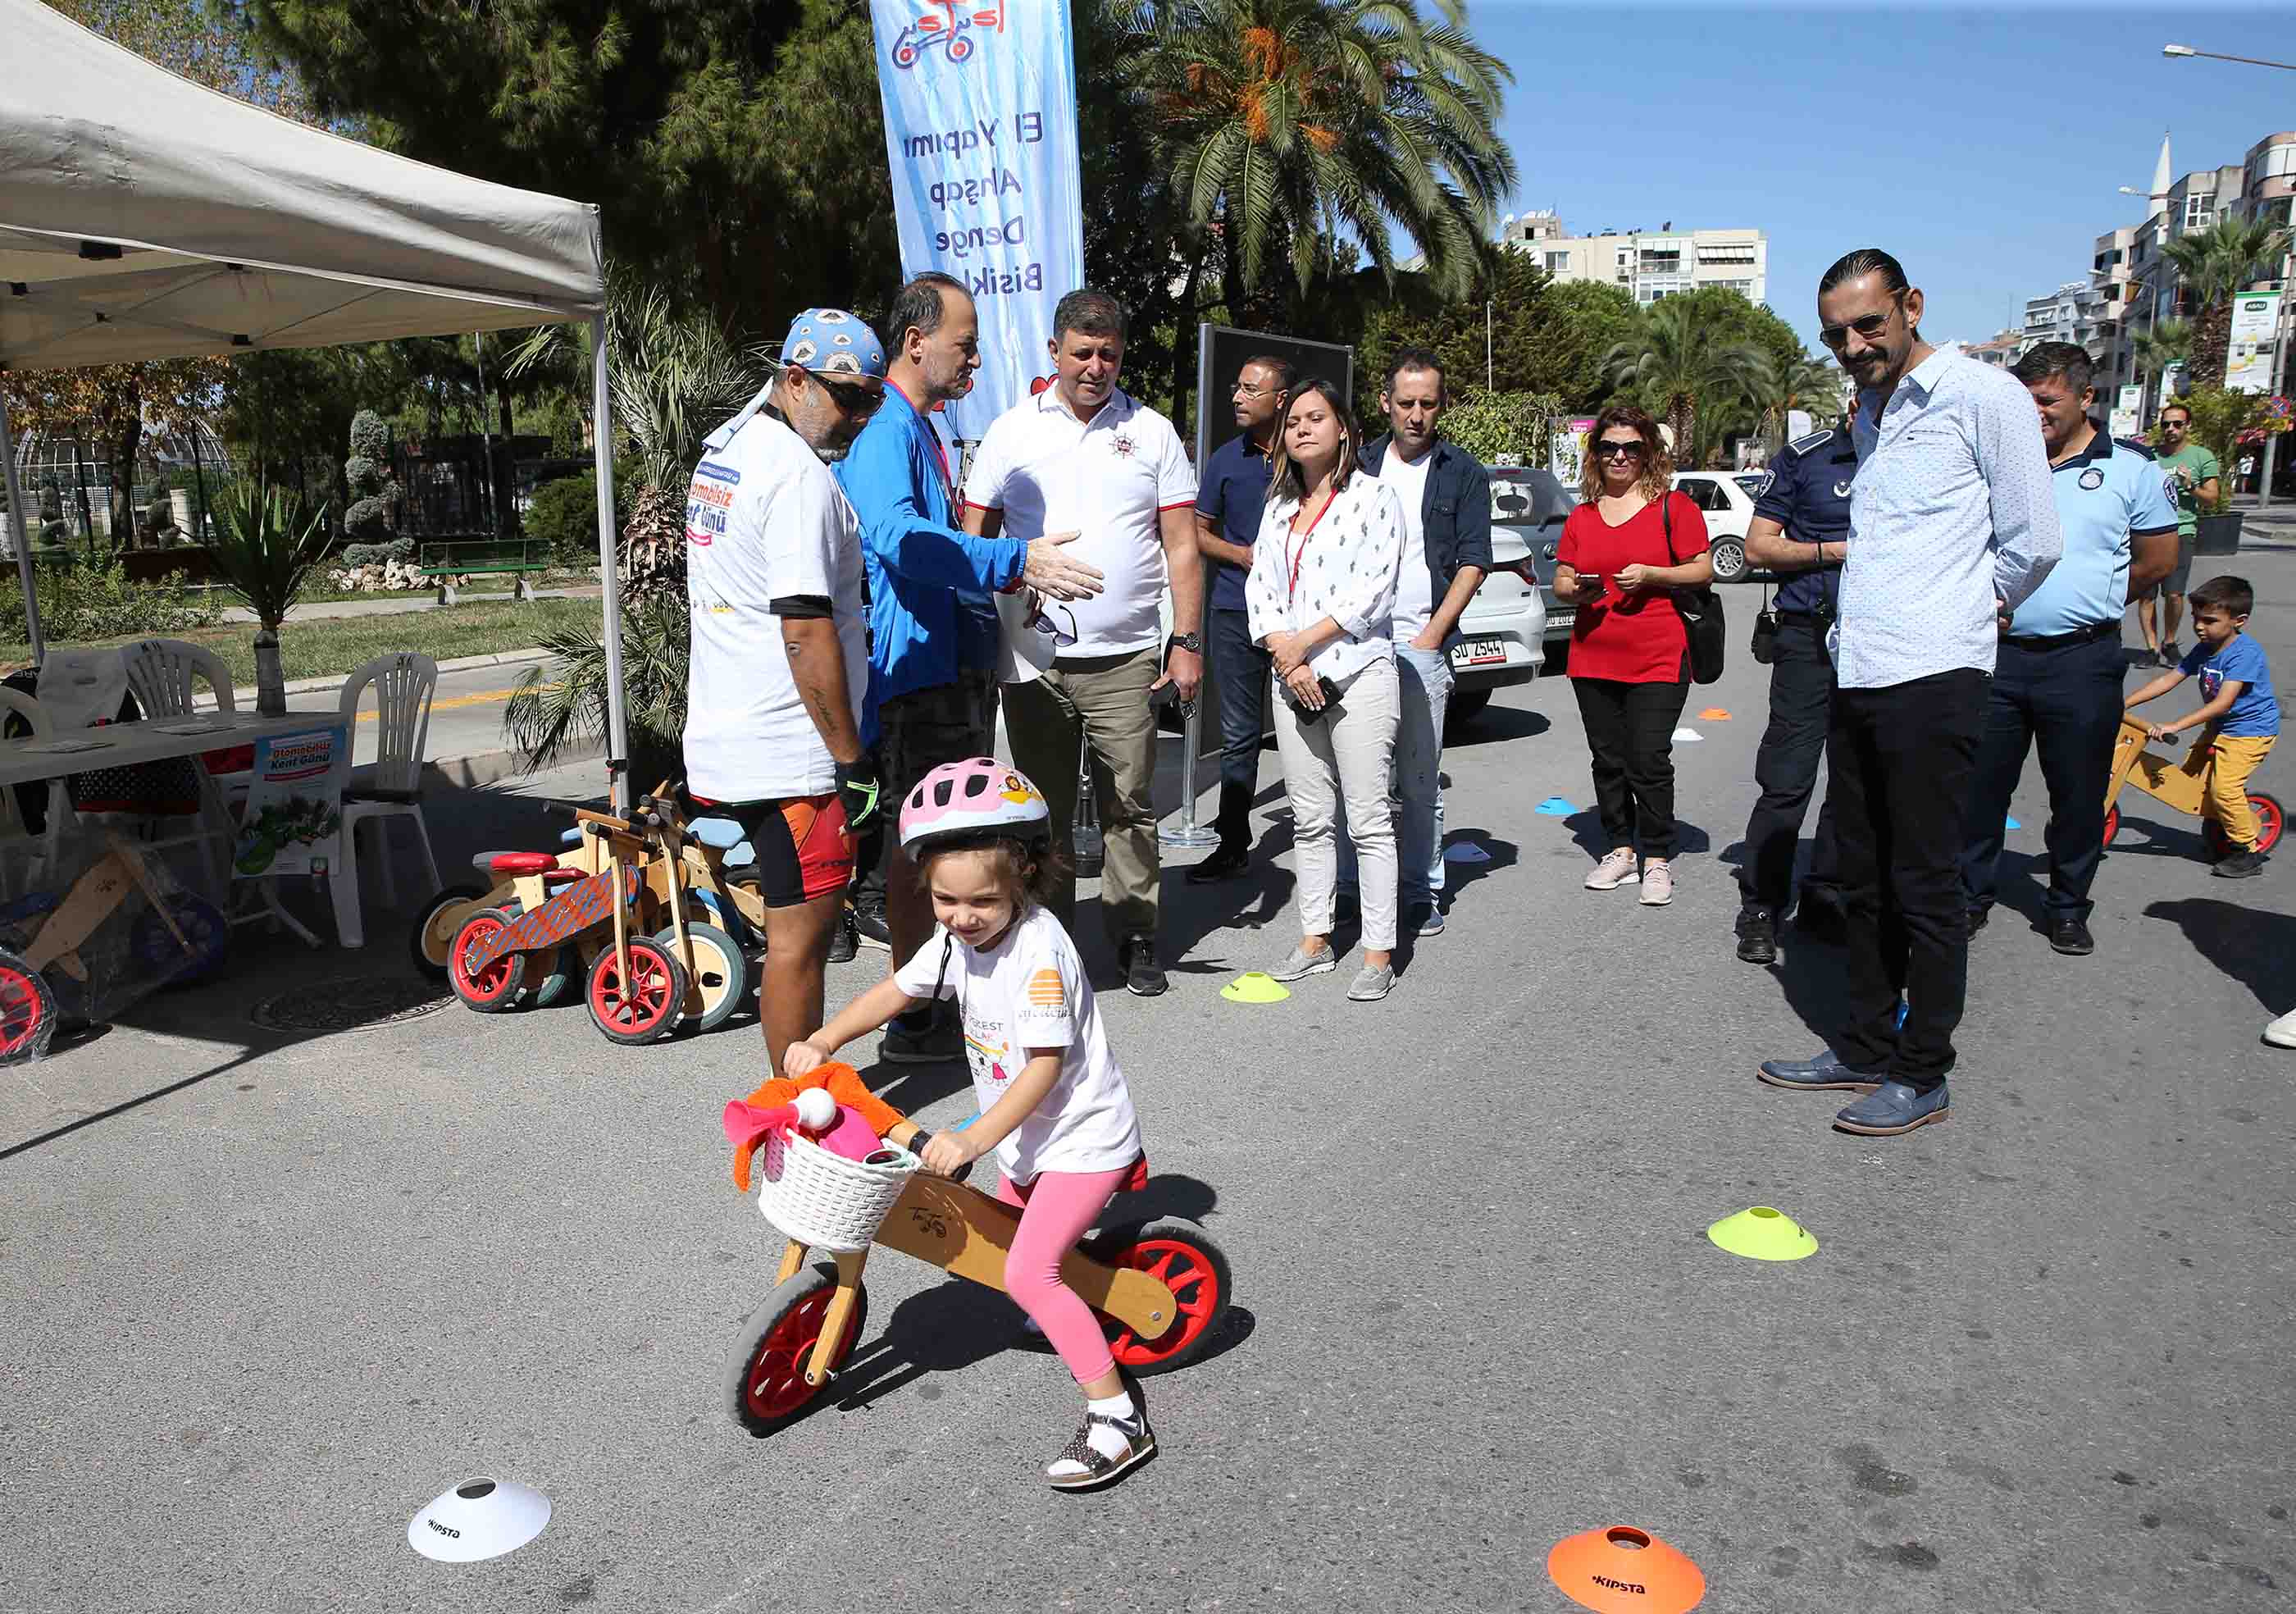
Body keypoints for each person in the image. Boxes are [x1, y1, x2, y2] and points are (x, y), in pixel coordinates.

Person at [784, 759, 1155, 1491]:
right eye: (946, 899)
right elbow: (896, 989)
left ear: (1023, 873)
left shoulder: (1040, 952)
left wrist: (972, 1139)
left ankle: (1117, 1418)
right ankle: (1071, 1297)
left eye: (982, 900)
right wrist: (825, 1041)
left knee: (1026, 1269)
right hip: (1029, 1140)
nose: (961, 915)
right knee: (986, 1237)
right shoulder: (956, 940)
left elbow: (1044, 1069)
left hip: (1082, 1141)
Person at [1759, 249, 2060, 1138]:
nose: (1853, 345)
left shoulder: (1984, 396)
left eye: (1868, 325)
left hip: (1936, 671)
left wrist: (1974, 606)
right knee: (1861, 875)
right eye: (1837, 334)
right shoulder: (1874, 410)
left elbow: (2032, 540)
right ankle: (1860, 1042)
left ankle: (1922, 1069)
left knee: (1925, 884)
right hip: (1861, 666)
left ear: (1911, 306)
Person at [837, 271, 1104, 1059]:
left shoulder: (919, 425)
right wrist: (1014, 559)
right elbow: (898, 539)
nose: (975, 362)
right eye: (965, 345)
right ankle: (915, 1020)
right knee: (925, 847)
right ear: (916, 343)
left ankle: (929, 1005)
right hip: (916, 676)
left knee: (940, 839)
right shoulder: (887, 427)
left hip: (946, 668)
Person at [963, 288, 1203, 996]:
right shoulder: (1012, 431)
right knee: (1043, 809)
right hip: (1032, 658)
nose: (1096, 367)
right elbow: (973, 532)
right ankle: (1050, 943)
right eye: (1083, 353)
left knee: (1130, 799)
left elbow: (1183, 549)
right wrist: (989, 609)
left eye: (1109, 355)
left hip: (1126, 656)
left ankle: (1134, 936)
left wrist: (1185, 642)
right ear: (1054, 353)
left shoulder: (1153, 432)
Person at [681, 308, 888, 1077]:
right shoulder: (798, 477)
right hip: (795, 748)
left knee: (789, 930)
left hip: (737, 727)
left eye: (871, 399)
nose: (860, 417)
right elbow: (805, 626)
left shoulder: (730, 444)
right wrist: (850, 758)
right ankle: (792, 1114)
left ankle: (790, 1094)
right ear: (795, 379)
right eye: (847, 397)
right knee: (801, 941)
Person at [1961, 342, 2180, 955]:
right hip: (1998, 656)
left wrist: (2094, 597)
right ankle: (1970, 896)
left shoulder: (2132, 468)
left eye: (2047, 401)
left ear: (2087, 398)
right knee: (1980, 788)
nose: (2033, 413)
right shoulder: (1997, 461)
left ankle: (2066, 906)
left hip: (2081, 661)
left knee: (2079, 793)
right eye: (2023, 400)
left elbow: (2158, 560)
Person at [1248, 379, 1408, 1000]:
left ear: (1343, 428)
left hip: (1358, 673)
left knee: (1368, 820)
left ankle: (1377, 952)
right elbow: (1260, 586)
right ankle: (1315, 940)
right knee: (1311, 819)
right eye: (1293, 422)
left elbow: (1374, 590)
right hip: (1292, 680)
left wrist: (1304, 642)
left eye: (1317, 418)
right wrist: (1286, 658)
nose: (1303, 429)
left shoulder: (1375, 498)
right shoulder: (1279, 506)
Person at [1348, 346, 1492, 937]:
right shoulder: (1356, 465)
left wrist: (1433, 633)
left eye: (1427, 404)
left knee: (1419, 779)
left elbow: (1473, 562)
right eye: (1405, 402)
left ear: (1443, 405)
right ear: (1385, 403)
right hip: (1357, 642)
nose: (1415, 415)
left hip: (1420, 646)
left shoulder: (1463, 472)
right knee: (1357, 777)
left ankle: (1421, 890)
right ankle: (1353, 891)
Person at [1554, 403, 1712, 909]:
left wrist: (1653, 574)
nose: (1619, 456)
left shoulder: (1674, 507)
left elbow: (1702, 570)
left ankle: (1658, 856)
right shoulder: (1582, 516)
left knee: (1647, 757)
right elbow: (1561, 577)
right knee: (1608, 759)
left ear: (1649, 454)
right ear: (1595, 455)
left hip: (1659, 652)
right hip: (1592, 653)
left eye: (1631, 448)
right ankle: (1620, 848)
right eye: (1608, 448)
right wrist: (1572, 591)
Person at [1733, 420, 1856, 963]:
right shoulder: (1808, 458)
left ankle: (1825, 893)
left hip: (1887, 643)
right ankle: (1761, 907)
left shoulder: (1921, 450)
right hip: (1809, 635)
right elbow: (1757, 548)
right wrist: (1835, 552)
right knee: (1787, 780)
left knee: (1854, 783)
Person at [1187, 353, 1295, 884]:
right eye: (1237, 386)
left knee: (1311, 725)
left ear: (1281, 400)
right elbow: (1197, 532)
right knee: (1239, 735)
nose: (1237, 397)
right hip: (1234, 611)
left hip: (1301, 618)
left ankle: (1338, 846)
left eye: (1251, 389)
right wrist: (1243, 555)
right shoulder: (1226, 459)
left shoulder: (1309, 456)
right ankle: (1232, 845)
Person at [2125, 573, 2278, 878]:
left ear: (2239, 620)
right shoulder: (2205, 648)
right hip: (2222, 727)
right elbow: (2170, 679)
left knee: (2224, 789)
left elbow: (2223, 703)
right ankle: (2222, 824)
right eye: (2196, 618)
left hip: (2249, 731)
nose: (2198, 627)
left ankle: (2248, 851)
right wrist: (2124, 703)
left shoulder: (2245, 654)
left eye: (2209, 620)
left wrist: (2175, 725)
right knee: (2190, 780)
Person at [2135, 402, 2221, 669]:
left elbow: (2212, 499)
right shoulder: (2149, 456)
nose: (2170, 429)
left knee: (2174, 594)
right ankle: (2151, 647)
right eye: (2165, 424)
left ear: (2188, 426)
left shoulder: (2200, 456)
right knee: (2146, 594)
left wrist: (2191, 486)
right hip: (2146, 533)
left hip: (2181, 531)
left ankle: (2169, 642)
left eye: (2177, 424)